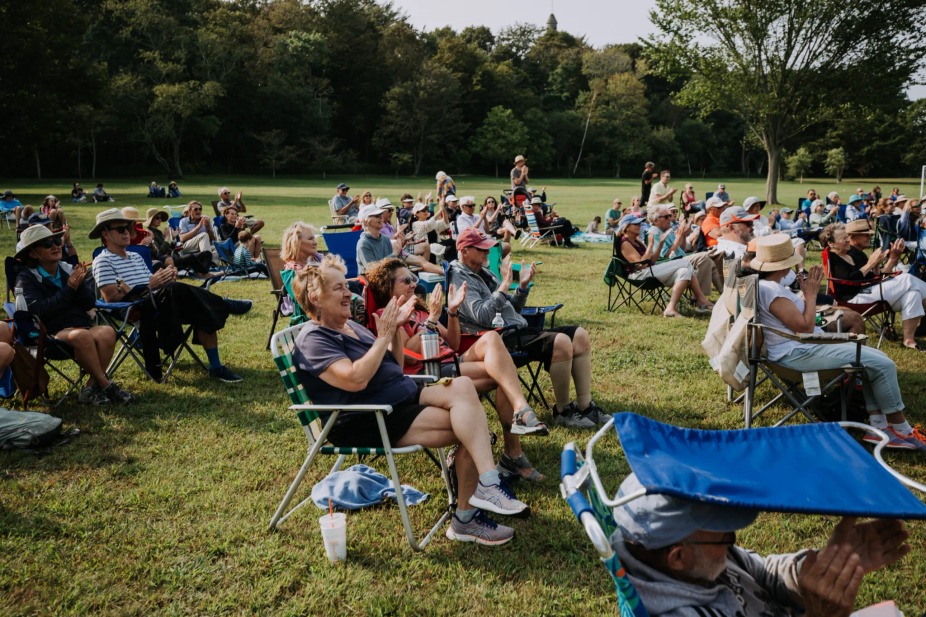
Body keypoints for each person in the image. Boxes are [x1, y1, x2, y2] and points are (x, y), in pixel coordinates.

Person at [290, 255, 530, 545]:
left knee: (464, 386)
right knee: (473, 431)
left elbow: (394, 362)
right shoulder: (314, 340)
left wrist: (392, 337)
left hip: (402, 393)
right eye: (339, 288)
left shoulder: (350, 326)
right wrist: (385, 335)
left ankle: (488, 482)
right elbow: (356, 379)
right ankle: (467, 518)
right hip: (372, 415)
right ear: (315, 298)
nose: (348, 294)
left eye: (346, 286)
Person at [612, 471, 913, 616]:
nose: (732, 542)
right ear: (678, 557)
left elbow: (764, 570)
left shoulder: (697, 556)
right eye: (725, 535)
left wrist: (813, 569)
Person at [365, 259, 548, 482]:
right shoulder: (388, 315)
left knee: (492, 340)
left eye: (413, 278)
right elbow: (404, 352)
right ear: (388, 286)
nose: (414, 284)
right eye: (406, 280)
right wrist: (431, 320)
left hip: (451, 358)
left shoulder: (418, 311)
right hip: (429, 370)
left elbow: (452, 342)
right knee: (503, 376)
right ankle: (514, 454)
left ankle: (521, 410)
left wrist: (451, 312)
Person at [753, 234, 925, 448]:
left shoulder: (770, 287)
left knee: (877, 359)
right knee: (883, 364)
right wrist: (811, 295)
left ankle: (879, 427)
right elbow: (805, 328)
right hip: (796, 355)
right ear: (784, 265)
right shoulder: (772, 292)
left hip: (803, 347)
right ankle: (902, 430)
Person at [448, 228, 605, 429]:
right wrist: (504, 286)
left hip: (516, 329)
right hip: (495, 339)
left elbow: (510, 309)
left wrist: (521, 288)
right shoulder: (459, 278)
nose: (488, 253)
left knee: (580, 335)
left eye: (488, 249)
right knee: (561, 342)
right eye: (482, 249)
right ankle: (563, 411)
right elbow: (483, 317)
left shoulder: (484, 272)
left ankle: (585, 406)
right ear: (465, 250)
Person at [91, 208, 250, 383]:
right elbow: (112, 299)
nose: (129, 232)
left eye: (129, 228)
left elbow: (152, 283)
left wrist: (164, 279)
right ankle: (224, 304)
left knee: (198, 306)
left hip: (163, 302)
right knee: (180, 291)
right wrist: (151, 286)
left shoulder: (136, 256)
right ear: (105, 234)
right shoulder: (102, 261)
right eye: (121, 229)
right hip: (138, 309)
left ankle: (216, 367)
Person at [15, 225, 133, 405]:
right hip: (49, 333)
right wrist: (69, 288)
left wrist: (79, 284)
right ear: (32, 254)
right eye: (47, 244)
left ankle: (90, 389)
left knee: (107, 331)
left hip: (79, 325)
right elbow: (40, 311)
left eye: (56, 241)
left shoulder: (67, 269)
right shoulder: (27, 278)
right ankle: (106, 384)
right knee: (82, 335)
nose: (55, 246)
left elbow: (88, 303)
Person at [821, 221, 926, 351]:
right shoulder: (834, 257)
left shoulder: (850, 255)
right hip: (852, 298)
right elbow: (847, 280)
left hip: (866, 291)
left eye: (847, 237)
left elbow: (872, 276)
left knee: (913, 294)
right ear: (831, 243)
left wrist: (883, 262)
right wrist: (871, 264)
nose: (847, 240)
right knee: (908, 279)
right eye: (844, 238)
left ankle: (908, 340)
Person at [619, 214, 713, 318]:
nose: (639, 225)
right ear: (627, 227)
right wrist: (650, 246)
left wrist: (660, 244)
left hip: (649, 270)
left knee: (684, 271)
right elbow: (641, 264)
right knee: (685, 263)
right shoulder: (625, 243)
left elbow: (652, 261)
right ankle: (700, 299)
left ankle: (670, 309)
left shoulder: (637, 240)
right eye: (635, 224)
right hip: (639, 275)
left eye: (640, 223)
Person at [646, 204, 721, 297]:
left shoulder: (666, 230)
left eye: (669, 216)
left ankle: (726, 296)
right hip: (671, 263)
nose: (669, 218)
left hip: (682, 258)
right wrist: (678, 237)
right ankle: (700, 298)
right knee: (705, 257)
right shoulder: (654, 233)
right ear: (656, 220)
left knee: (711, 260)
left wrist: (683, 235)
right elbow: (666, 255)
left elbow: (682, 249)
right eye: (666, 217)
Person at [356, 203, 442, 275]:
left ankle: (446, 272)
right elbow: (373, 271)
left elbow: (395, 259)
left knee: (418, 283)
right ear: (365, 222)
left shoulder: (385, 239)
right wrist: (394, 254)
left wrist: (402, 244)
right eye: (376, 216)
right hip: (376, 285)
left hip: (390, 278)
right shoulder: (363, 244)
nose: (381, 217)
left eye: (380, 214)